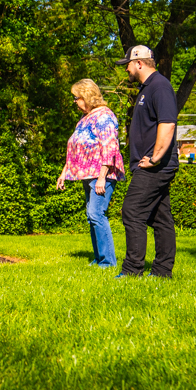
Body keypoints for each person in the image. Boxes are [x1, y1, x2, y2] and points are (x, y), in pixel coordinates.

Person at [115, 44, 179, 278]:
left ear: (139, 63)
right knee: (160, 218)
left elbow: (168, 123)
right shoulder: (147, 88)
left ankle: (132, 271)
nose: (127, 70)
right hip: (151, 164)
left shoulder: (160, 87)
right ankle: (162, 272)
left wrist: (155, 158)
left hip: (155, 166)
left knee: (132, 211)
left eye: (128, 65)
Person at [55, 79, 125, 268]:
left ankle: (108, 262)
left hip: (102, 174)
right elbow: (74, 150)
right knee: (91, 215)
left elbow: (109, 147)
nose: (75, 102)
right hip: (88, 174)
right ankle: (99, 258)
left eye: (76, 98)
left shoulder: (104, 116)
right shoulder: (85, 119)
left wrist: (102, 176)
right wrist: (63, 174)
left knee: (96, 213)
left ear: (86, 96)